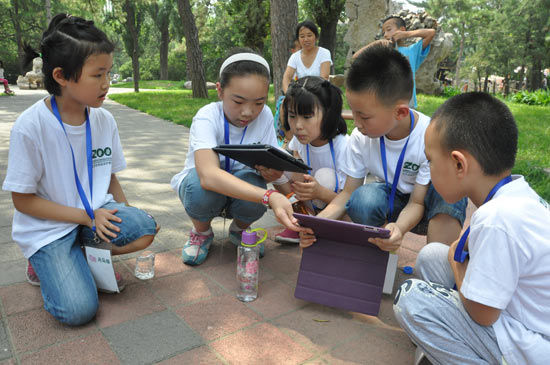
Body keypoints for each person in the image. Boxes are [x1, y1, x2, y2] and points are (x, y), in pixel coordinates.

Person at [2, 13, 159, 326]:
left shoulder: (103, 120)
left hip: (93, 215)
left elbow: (109, 175)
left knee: (144, 229)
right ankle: (44, 265)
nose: (107, 84)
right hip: (48, 229)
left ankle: (83, 255)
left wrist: (126, 214)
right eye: (97, 75)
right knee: (78, 311)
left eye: (109, 73)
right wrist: (87, 217)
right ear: (61, 76)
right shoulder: (30, 127)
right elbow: (23, 201)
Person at [393, 92, 550, 364]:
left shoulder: (498, 219)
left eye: (431, 160)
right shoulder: (514, 196)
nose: (428, 169)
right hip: (518, 316)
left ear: (458, 164)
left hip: (531, 344)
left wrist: (457, 261)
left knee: (411, 299)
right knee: (431, 256)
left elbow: (482, 314)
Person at [300, 43, 467, 252]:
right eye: (353, 112)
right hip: (393, 200)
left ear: (400, 113)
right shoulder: (362, 138)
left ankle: (437, 263)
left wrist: (399, 227)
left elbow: (417, 203)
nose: (357, 124)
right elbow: (348, 192)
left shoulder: (430, 137)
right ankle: (382, 251)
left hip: (429, 203)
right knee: (362, 200)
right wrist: (317, 224)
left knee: (450, 188)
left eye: (365, 116)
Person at [170, 48, 302, 266]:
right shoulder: (206, 117)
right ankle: (201, 232)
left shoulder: (266, 116)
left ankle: (240, 230)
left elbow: (272, 165)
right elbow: (208, 176)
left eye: (259, 102)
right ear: (220, 91)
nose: (248, 112)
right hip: (207, 190)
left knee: (255, 181)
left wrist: (279, 181)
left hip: (243, 187)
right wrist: (270, 196)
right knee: (198, 187)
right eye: (239, 102)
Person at [274, 76, 348, 244]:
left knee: (325, 176)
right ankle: (302, 220)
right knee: (275, 159)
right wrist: (275, 174)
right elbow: (298, 174)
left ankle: (323, 227)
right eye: (292, 116)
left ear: (328, 114)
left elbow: (349, 202)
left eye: (307, 117)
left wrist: (319, 192)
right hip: (309, 199)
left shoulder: (344, 146)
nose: (298, 125)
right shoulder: (299, 141)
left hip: (338, 210)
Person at [363, 16, 435, 109]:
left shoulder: (412, 51)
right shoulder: (383, 53)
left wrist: (406, 34)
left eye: (388, 30)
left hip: (407, 106)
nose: (385, 34)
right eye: (383, 32)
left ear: (402, 29)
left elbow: (431, 33)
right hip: (385, 105)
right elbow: (356, 56)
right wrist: (377, 43)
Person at [281, 21, 332, 94]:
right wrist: (288, 95)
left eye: (309, 35)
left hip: (321, 95)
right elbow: (286, 78)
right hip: (301, 96)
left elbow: (324, 78)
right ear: (298, 39)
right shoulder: (294, 57)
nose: (306, 39)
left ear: (316, 37)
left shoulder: (324, 53)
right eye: (302, 36)